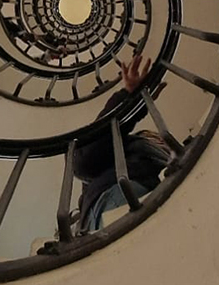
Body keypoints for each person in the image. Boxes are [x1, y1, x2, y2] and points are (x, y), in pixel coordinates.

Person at [73, 54, 172, 233]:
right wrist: (129, 98)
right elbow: (84, 160)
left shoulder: (166, 159)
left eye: (161, 140)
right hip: (119, 192)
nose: (160, 140)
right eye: (153, 137)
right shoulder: (122, 151)